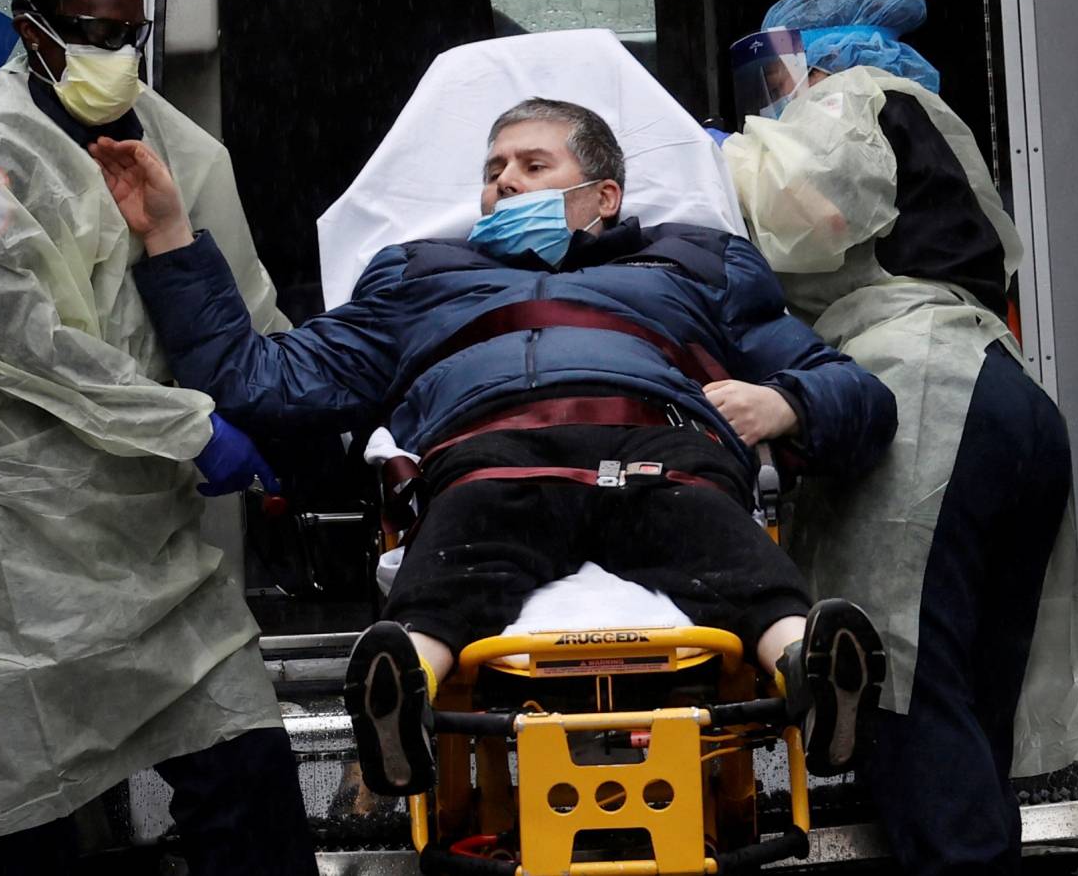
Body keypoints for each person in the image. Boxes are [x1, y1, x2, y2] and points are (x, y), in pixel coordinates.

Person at [92, 96, 899, 797]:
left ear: (604, 195)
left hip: (661, 447)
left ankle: (814, 671)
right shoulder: (417, 278)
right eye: (492, 168)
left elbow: (860, 396)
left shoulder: (694, 264)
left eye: (531, 164)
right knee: (456, 566)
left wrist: (784, 402)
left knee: (729, 554)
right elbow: (262, 377)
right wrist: (169, 234)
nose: (503, 181)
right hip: (494, 454)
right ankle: (401, 689)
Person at [0, 0, 315, 876]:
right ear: (30, 32)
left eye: (130, 34)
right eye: (90, 33)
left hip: (151, 542)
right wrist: (189, 427)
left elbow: (239, 300)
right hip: (21, 541)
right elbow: (31, 344)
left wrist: (282, 402)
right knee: (19, 808)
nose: (113, 54)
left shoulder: (171, 141)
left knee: (245, 769)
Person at [720, 0, 1078, 875]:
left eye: (783, 72)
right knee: (974, 697)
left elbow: (802, 215)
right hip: (1002, 392)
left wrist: (703, 161)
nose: (777, 95)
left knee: (898, 682)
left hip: (924, 393)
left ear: (819, 55)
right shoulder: (931, 117)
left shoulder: (852, 94)